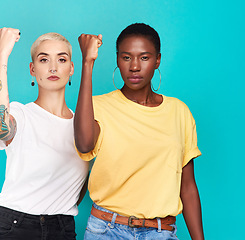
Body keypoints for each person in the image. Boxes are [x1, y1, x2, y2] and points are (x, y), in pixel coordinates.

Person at [74, 23, 204, 239]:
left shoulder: (179, 112)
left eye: (144, 58)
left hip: (161, 232)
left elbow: (188, 187)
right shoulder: (97, 106)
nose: (134, 66)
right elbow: (84, 144)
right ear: (117, 59)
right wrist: (87, 63)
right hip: (106, 230)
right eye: (126, 57)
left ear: (157, 60)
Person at [0, 27, 89, 240]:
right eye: (44, 60)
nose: (53, 67)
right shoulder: (21, 114)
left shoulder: (83, 125)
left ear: (71, 68)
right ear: (32, 69)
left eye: (61, 60)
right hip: (14, 226)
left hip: (62, 228)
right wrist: (1, 55)